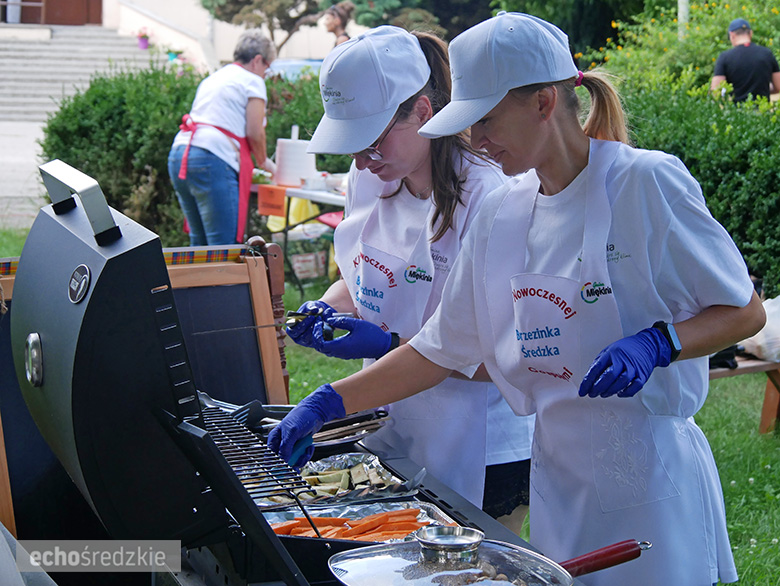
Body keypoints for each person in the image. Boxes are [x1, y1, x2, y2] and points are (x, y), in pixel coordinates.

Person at [270, 12, 767, 585]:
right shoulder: (503, 214)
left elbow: (744, 311)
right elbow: (437, 351)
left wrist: (663, 341)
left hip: (652, 480)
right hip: (556, 474)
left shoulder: (645, 183)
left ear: (544, 102)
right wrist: (331, 400)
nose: (476, 140)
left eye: (485, 120)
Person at [285, 25, 535, 523]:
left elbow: (517, 360)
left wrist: (389, 343)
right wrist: (328, 308)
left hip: (484, 446)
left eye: (373, 142)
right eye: (351, 145)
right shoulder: (371, 177)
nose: (360, 160)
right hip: (394, 420)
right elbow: (359, 279)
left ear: (424, 111)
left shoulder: (492, 197)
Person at [168, 29, 277, 246]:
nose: (266, 73)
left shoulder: (215, 77)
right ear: (257, 60)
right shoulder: (252, 81)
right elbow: (255, 132)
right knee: (223, 248)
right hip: (211, 158)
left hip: (180, 153)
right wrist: (264, 161)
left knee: (198, 244)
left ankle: (194, 281)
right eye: (267, 66)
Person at [711, 18, 780, 102]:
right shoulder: (767, 54)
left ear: (732, 35)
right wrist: (762, 89)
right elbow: (778, 86)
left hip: (738, 113)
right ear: (750, 33)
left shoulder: (725, 57)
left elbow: (715, 92)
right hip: (763, 111)